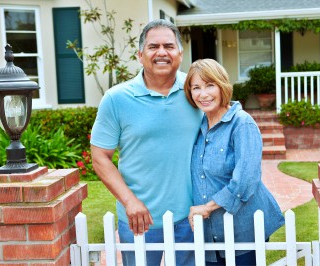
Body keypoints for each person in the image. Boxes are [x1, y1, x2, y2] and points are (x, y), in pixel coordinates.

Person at [90, 19, 202, 266]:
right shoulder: (116, 99)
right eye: (153, 47)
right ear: (140, 55)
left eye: (169, 46)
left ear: (180, 54)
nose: (162, 52)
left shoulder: (196, 92)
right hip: (138, 220)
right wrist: (130, 201)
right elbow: (99, 157)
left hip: (191, 218)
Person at [184, 59, 285, 266]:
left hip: (243, 229)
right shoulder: (199, 126)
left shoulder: (242, 123)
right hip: (211, 232)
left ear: (222, 86)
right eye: (196, 88)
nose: (203, 94)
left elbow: (246, 180)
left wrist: (207, 207)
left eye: (209, 85)